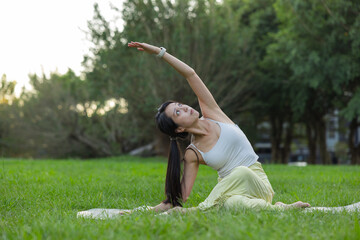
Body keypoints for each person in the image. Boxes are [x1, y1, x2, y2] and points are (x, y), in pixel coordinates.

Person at [127, 41, 311, 214]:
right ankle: (279, 209)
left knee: (240, 171)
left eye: (179, 104)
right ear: (179, 129)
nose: (184, 107)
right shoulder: (193, 153)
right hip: (231, 192)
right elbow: (179, 197)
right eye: (177, 113)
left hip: (256, 182)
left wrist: (160, 52)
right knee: (232, 204)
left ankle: (195, 212)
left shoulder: (213, 113)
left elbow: (190, 74)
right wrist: (139, 211)